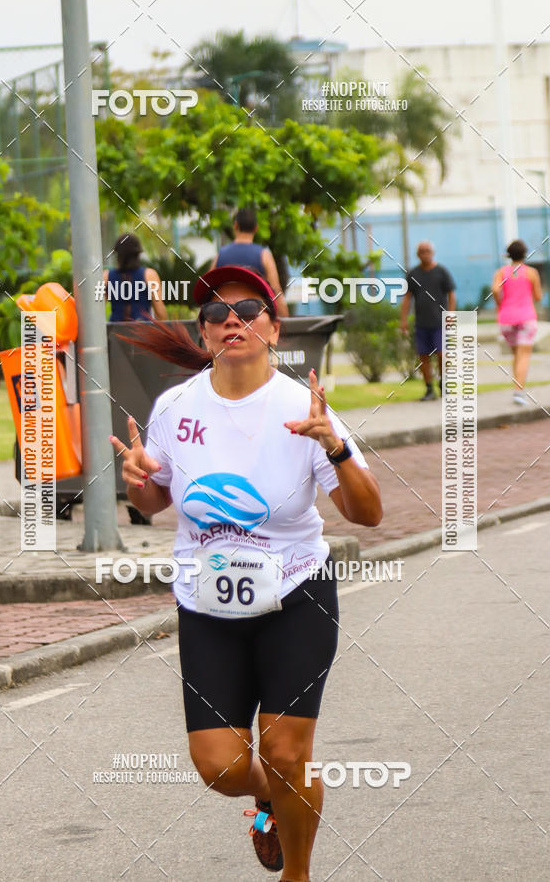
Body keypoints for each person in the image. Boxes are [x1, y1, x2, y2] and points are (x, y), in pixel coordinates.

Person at [110, 265, 382, 882]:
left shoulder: (303, 407)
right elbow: (156, 502)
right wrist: (139, 487)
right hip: (209, 603)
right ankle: (268, 795)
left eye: (248, 309)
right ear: (204, 334)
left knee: (288, 752)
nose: (231, 319)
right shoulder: (175, 407)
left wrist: (333, 446)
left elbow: (368, 514)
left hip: (296, 593)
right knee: (221, 768)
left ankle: (298, 873)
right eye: (214, 313)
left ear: (273, 327)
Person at [400, 241, 457, 400]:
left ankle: (443, 383)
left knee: (442, 354)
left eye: (428, 251)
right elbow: (407, 298)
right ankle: (429, 389)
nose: (425, 254)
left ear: (433, 252)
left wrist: (451, 315)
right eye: (422, 251)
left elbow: (451, 294)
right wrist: (403, 320)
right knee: (424, 357)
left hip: (440, 322)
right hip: (421, 323)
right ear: (418, 254)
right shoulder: (413, 274)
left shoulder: (441, 271)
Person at [211, 207, 290, 316]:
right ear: (256, 228)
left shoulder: (220, 255)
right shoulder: (264, 255)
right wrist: (286, 323)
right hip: (254, 316)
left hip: (226, 317)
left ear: (235, 225)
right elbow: (276, 291)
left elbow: (209, 290)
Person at [492, 239, 542, 405]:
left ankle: (518, 388)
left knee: (516, 354)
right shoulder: (531, 273)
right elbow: (538, 296)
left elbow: (495, 290)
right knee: (524, 355)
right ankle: (519, 392)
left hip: (506, 319)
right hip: (526, 317)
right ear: (524, 254)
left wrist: (501, 305)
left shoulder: (501, 272)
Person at [103, 232, 167, 322]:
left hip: (114, 333)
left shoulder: (106, 276)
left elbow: (98, 311)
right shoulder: (149, 275)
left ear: (118, 254)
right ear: (137, 254)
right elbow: (160, 313)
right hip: (142, 333)